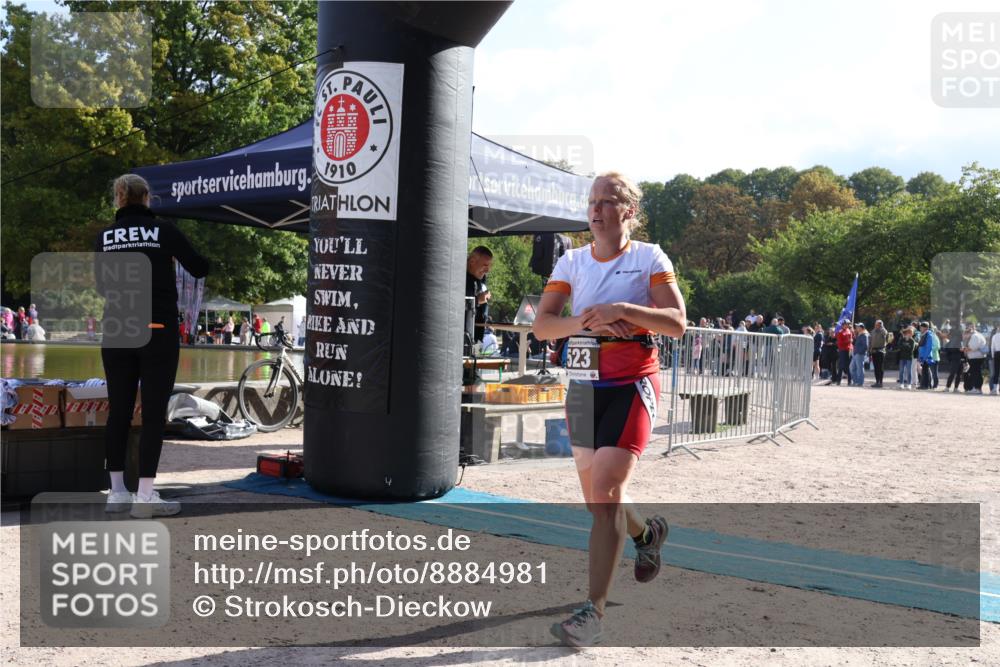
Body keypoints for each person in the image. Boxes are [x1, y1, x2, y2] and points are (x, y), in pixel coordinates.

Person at [533, 172, 686, 647]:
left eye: (608, 201)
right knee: (602, 502)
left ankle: (592, 612)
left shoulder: (648, 257)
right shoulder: (572, 260)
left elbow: (677, 322)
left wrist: (624, 309)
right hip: (583, 390)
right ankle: (646, 535)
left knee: (605, 489)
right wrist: (586, 322)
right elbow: (542, 327)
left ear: (629, 212)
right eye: (592, 201)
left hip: (631, 386)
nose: (596, 209)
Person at [96, 173, 210, 518]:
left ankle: (117, 492)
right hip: (155, 327)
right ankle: (145, 496)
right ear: (147, 198)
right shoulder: (164, 231)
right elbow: (200, 267)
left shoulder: (105, 237)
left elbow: (102, 287)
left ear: (118, 198)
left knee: (118, 411)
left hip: (116, 329)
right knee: (154, 413)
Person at [465, 246, 493, 342]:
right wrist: (477, 300)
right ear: (472, 262)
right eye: (485, 265)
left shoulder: (480, 279)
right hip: (461, 339)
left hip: (476, 338)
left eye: (489, 266)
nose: (487, 270)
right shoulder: (459, 277)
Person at [963, 323, 988, 394]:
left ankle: (977, 388)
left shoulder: (974, 336)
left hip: (975, 357)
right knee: (977, 372)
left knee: (975, 373)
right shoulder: (980, 335)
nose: (966, 336)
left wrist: (964, 349)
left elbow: (972, 347)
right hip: (978, 357)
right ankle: (977, 388)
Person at [829, 320, 853, 386]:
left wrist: (850, 342)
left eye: (848, 324)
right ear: (843, 325)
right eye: (846, 324)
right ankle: (840, 380)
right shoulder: (840, 332)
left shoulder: (849, 331)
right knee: (842, 366)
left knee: (846, 366)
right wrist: (848, 341)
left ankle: (848, 381)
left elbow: (851, 340)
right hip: (842, 350)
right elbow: (839, 343)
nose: (847, 325)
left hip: (849, 350)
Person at [917, 322, 938, 390]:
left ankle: (925, 385)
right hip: (923, 356)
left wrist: (925, 357)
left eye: (921, 327)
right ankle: (926, 385)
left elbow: (929, 347)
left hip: (926, 356)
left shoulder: (929, 335)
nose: (920, 328)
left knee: (925, 371)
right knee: (925, 371)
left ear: (925, 328)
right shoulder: (923, 334)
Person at [869, 320, 888, 388]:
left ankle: (881, 382)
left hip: (881, 350)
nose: (877, 325)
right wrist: (870, 350)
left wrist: (881, 327)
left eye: (878, 324)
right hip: (874, 351)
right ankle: (877, 381)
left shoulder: (883, 330)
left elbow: (886, 334)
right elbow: (870, 341)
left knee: (880, 367)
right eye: (876, 324)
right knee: (876, 367)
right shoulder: (873, 331)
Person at [851, 322, 869, 387]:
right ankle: (856, 381)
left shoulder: (864, 335)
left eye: (858, 327)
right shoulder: (859, 334)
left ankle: (860, 383)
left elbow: (865, 346)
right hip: (856, 353)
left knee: (859, 369)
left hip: (860, 354)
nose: (856, 328)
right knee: (852, 368)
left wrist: (859, 352)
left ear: (861, 328)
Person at [990, 324, 1000, 395]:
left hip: (997, 354)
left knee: (996, 372)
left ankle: (995, 389)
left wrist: (993, 356)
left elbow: (992, 347)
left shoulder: (995, 336)